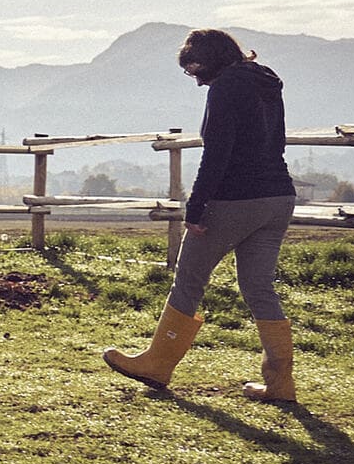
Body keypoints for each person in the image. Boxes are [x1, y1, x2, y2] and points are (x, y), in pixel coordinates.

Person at [105, 27, 301, 402]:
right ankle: (281, 384)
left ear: (210, 60)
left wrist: (196, 207)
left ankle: (157, 364)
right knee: (259, 287)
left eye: (194, 69)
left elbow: (217, 152)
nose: (195, 80)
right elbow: (274, 142)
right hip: (278, 196)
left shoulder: (226, 87)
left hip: (236, 198)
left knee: (189, 278)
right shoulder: (266, 83)